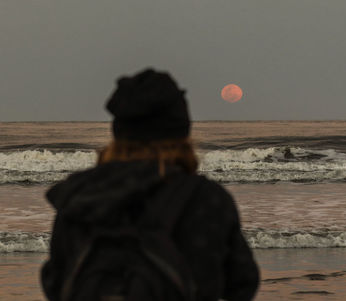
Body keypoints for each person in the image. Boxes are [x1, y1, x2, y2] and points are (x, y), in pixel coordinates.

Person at [40, 69, 260, 301]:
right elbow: (243, 283)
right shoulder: (205, 198)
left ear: (118, 132)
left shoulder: (80, 196)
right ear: (182, 131)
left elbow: (55, 282)